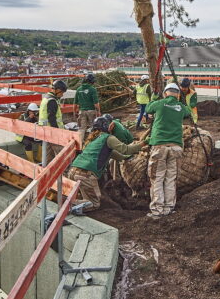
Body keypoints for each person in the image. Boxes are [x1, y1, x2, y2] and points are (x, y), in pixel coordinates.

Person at [66, 115, 147, 212]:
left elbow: (119, 156)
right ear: (107, 126)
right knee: (94, 204)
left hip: (73, 171)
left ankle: (69, 204)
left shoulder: (92, 140)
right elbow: (126, 150)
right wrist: (144, 143)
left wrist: (133, 155)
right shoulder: (108, 138)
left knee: (87, 198)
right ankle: (68, 207)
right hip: (85, 175)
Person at [145, 82, 192, 218]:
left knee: (157, 178)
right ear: (177, 95)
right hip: (176, 147)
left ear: (165, 93)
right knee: (171, 178)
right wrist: (181, 101)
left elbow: (148, 109)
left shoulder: (159, 103)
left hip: (159, 146)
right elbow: (188, 112)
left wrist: (154, 97)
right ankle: (169, 208)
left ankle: (157, 210)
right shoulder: (180, 107)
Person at [38, 79, 68, 162]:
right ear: (57, 90)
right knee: (62, 154)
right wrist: (58, 132)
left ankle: (48, 172)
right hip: (52, 132)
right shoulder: (52, 101)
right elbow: (52, 119)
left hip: (45, 131)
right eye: (62, 92)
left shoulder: (46, 98)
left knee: (48, 155)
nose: (62, 95)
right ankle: (65, 172)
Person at [75, 72, 101, 137]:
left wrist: (75, 112)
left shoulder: (78, 89)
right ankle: (92, 143)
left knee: (82, 129)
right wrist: (98, 112)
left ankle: (79, 144)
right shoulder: (92, 89)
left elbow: (75, 103)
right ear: (92, 81)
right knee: (93, 128)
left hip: (82, 111)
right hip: (91, 111)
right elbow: (96, 103)